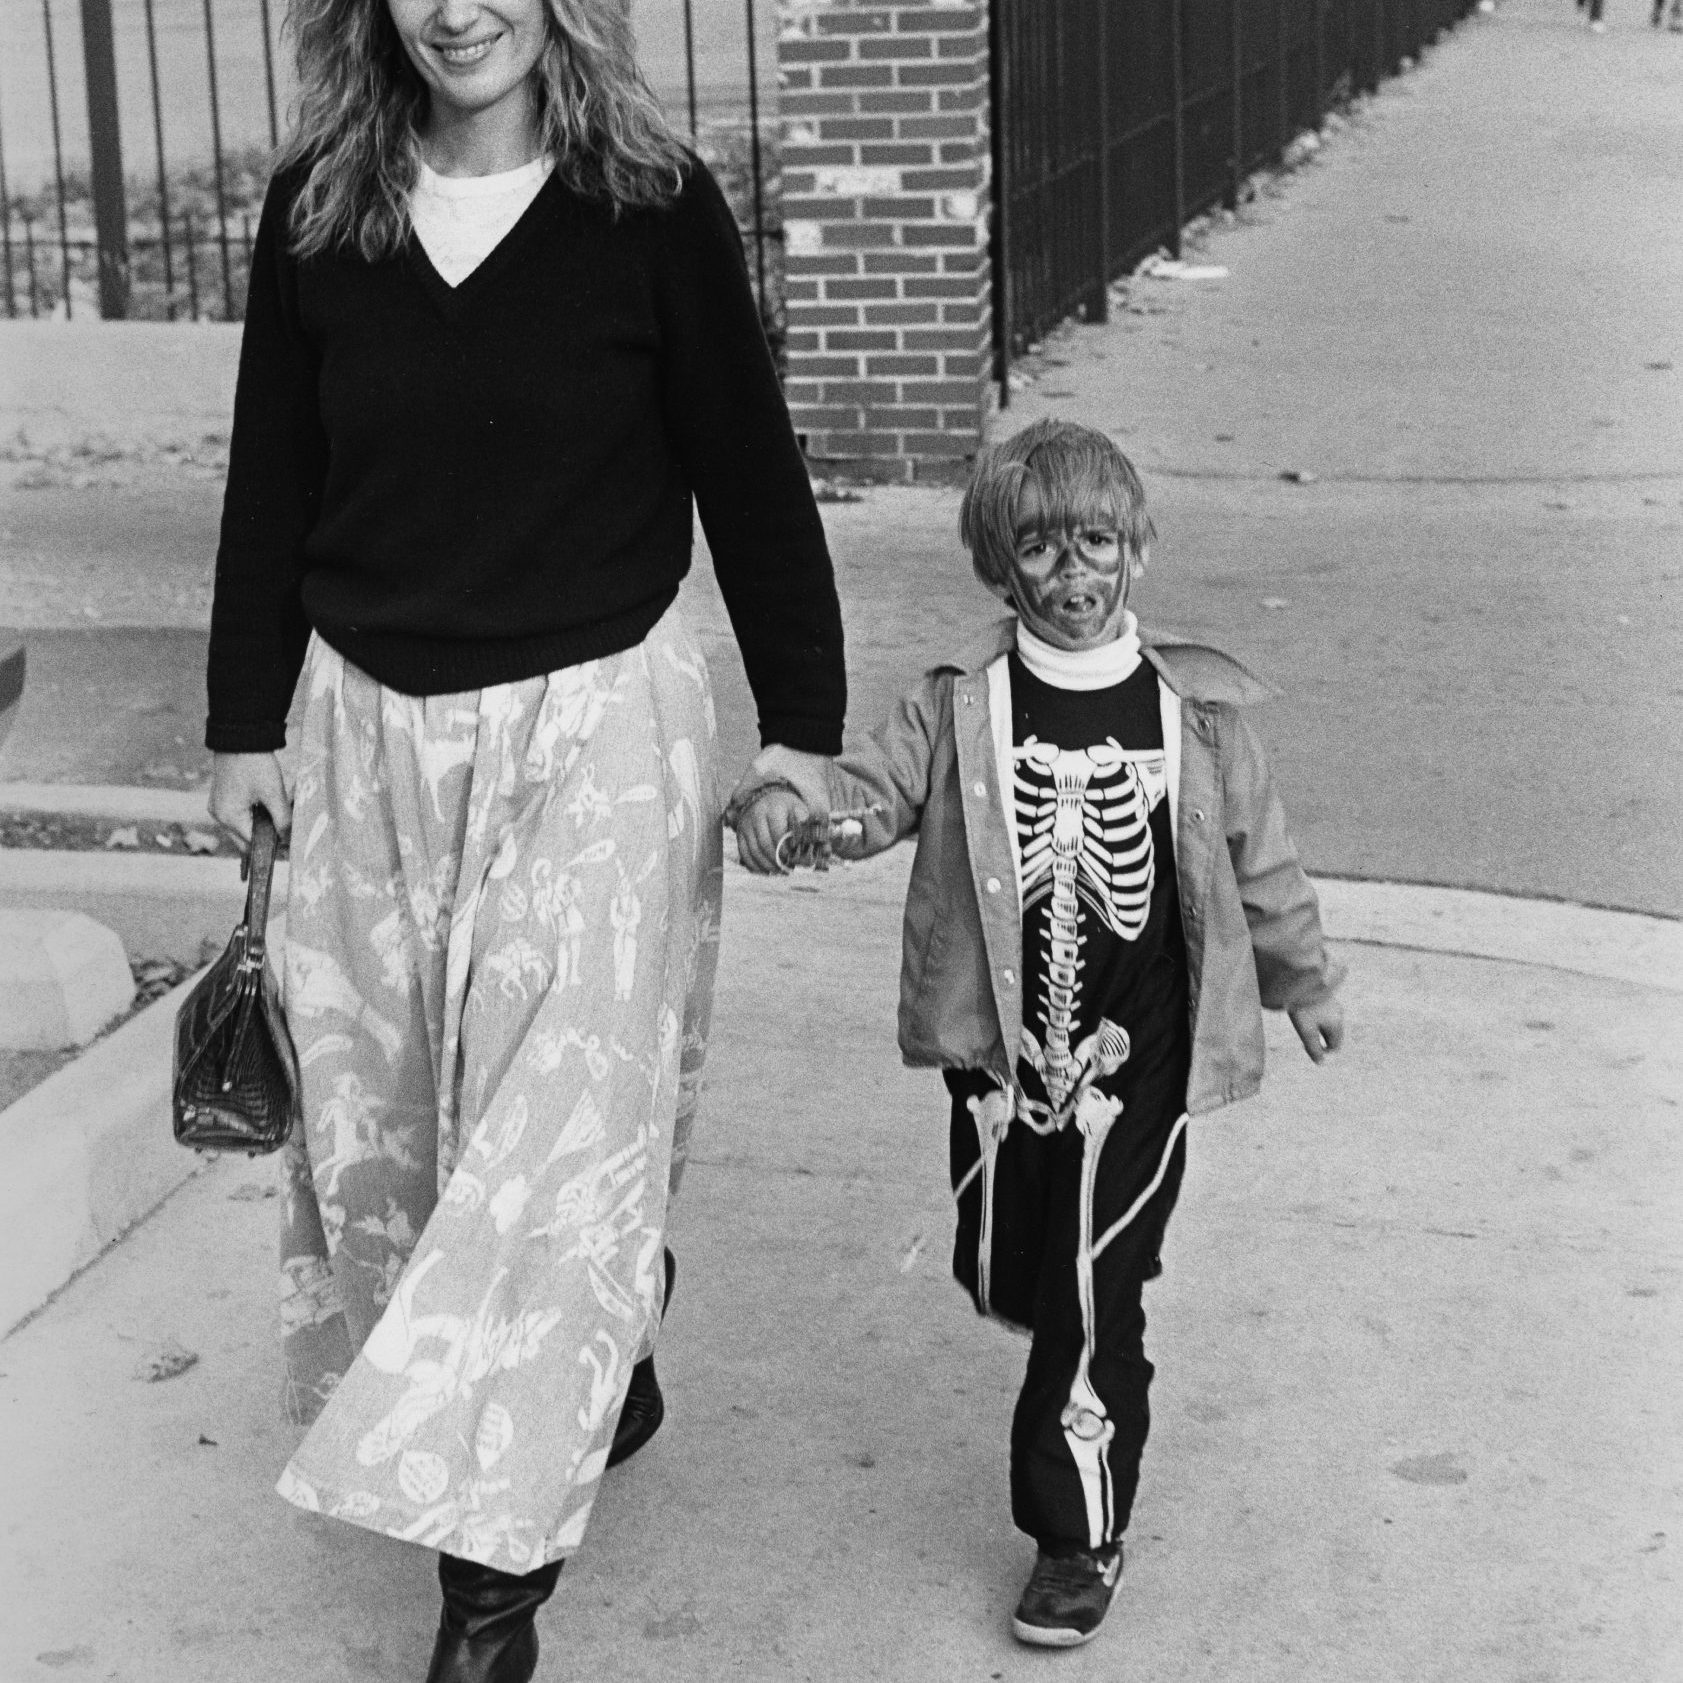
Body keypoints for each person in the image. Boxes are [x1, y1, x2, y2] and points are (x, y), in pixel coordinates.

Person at [204, 0, 844, 1677]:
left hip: (596, 728)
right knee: (401, 1135)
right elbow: (272, 469)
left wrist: (800, 728)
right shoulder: (319, 210)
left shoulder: (648, 203)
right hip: (365, 726)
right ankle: (599, 1339)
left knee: (546, 1127)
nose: (458, 7)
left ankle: (487, 1603)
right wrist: (237, 722)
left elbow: (747, 471)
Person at [731, 419, 1345, 1649]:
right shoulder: (964, 702)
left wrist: (1303, 978)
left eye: (1097, 543)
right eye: (1040, 548)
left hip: (1145, 1058)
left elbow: (1257, 857)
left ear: (1141, 549)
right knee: (1017, 1266)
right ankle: (1077, 1313)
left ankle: (1076, 1533)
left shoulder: (1200, 713)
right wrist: (803, 808)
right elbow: (878, 796)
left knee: (1086, 1288)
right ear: (997, 567)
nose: (1073, 575)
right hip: (1003, 1063)